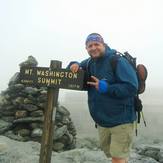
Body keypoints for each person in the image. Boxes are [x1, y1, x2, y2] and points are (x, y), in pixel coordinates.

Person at [67, 33, 138, 163]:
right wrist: (74, 64)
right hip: (102, 120)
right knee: (112, 155)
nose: (93, 48)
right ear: (86, 48)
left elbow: (132, 87)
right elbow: (72, 70)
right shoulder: (89, 62)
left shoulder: (117, 61)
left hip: (121, 119)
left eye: (96, 44)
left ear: (103, 44)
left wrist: (107, 88)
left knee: (118, 157)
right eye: (90, 46)